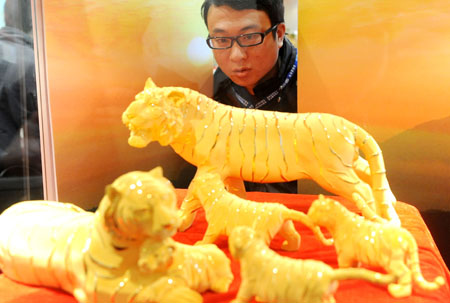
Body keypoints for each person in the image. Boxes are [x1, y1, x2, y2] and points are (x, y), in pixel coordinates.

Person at [201, 0, 298, 193]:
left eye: (250, 37)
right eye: (221, 40)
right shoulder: (209, 93)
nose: (237, 56)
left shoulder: (310, 88)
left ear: (279, 34)